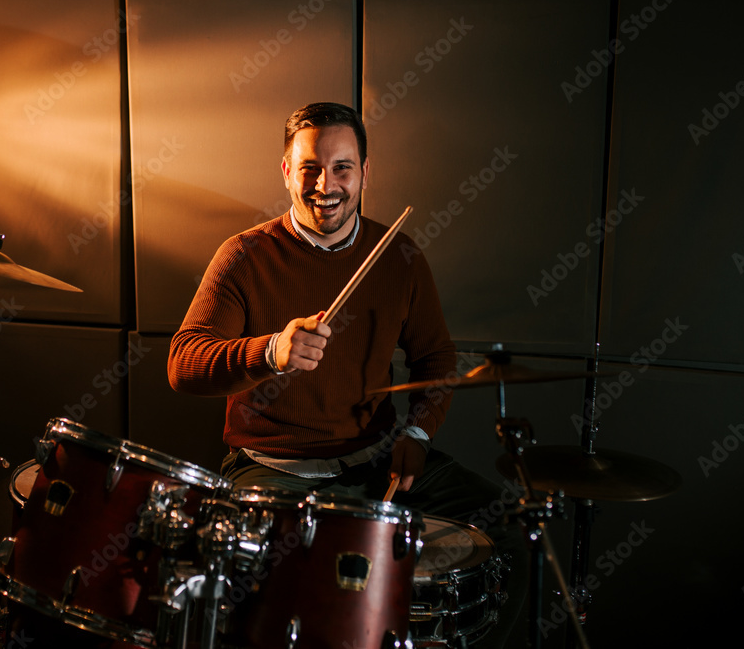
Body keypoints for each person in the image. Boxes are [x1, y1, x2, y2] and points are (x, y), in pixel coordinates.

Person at [168, 102, 523, 647]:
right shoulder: (243, 256)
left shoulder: (400, 256)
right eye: (309, 167)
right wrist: (269, 353)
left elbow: (435, 358)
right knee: (290, 591)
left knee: (514, 528)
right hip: (274, 469)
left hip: (377, 458)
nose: (325, 184)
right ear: (285, 170)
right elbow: (184, 364)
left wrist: (419, 434)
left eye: (342, 167)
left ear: (364, 172)